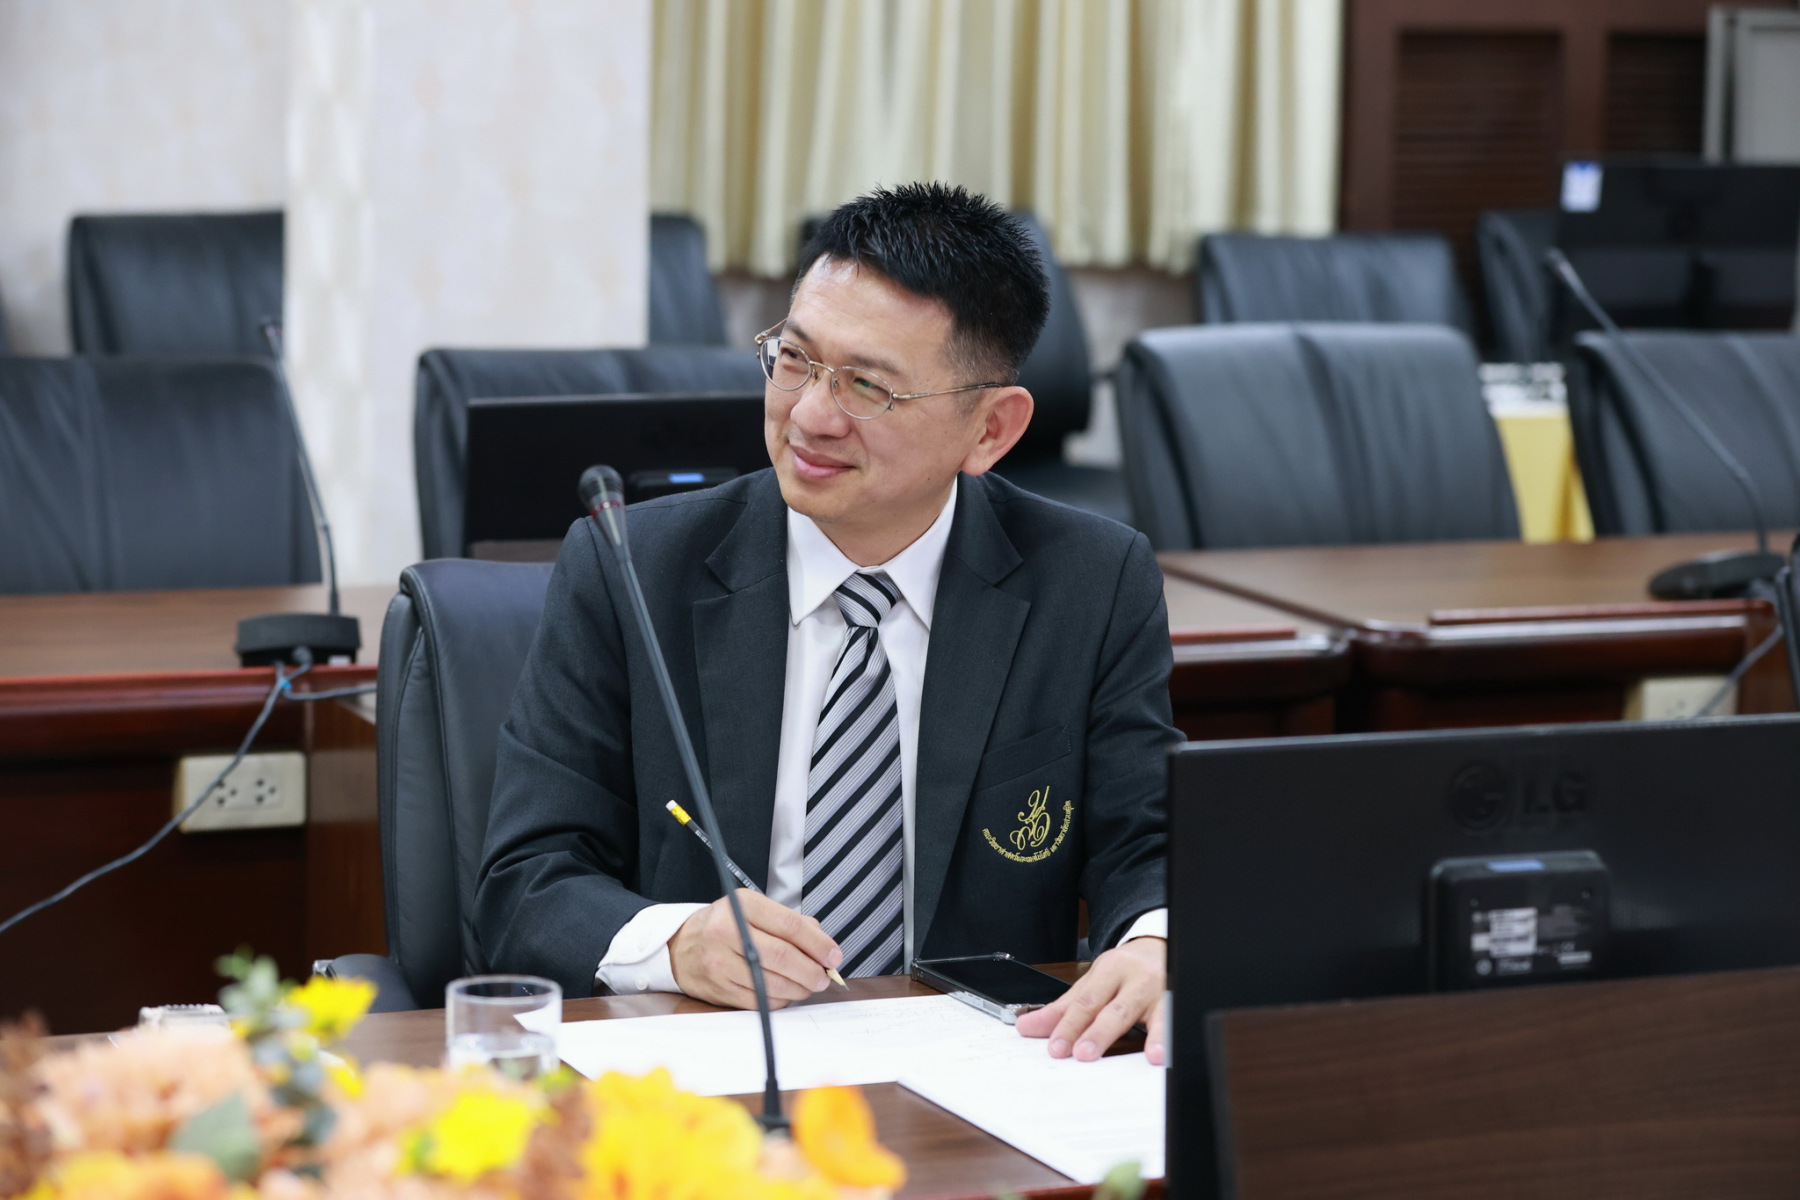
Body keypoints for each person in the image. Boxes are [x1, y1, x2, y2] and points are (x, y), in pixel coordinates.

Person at [476, 182, 1177, 1062]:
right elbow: (524, 883)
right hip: (712, 1063)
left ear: (990, 430)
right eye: (796, 360)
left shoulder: (1091, 582)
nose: (809, 414)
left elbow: (1146, 843)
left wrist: (1154, 942)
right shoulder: (632, 569)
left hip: (979, 1070)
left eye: (868, 387)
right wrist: (676, 942)